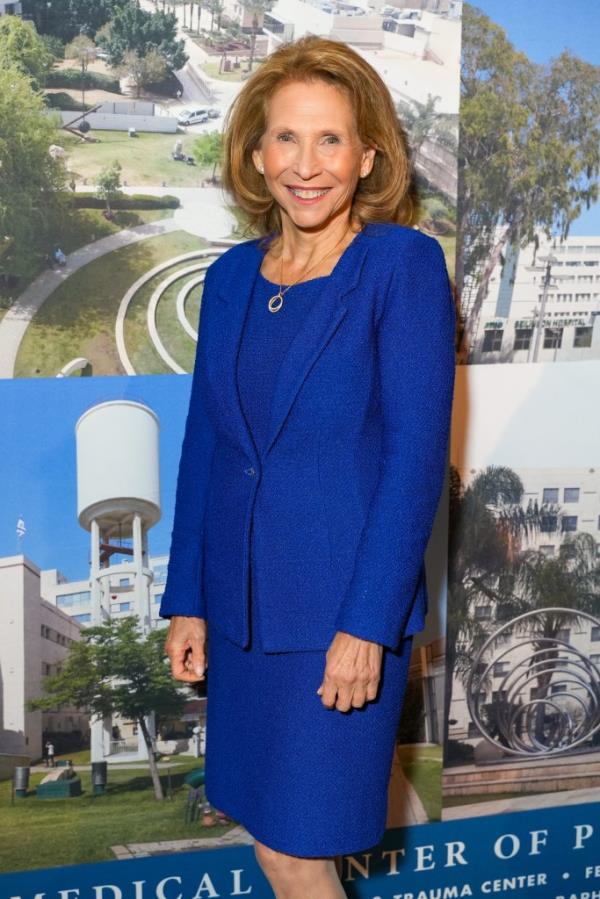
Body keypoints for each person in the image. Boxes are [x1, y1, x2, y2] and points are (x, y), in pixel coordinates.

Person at [160, 34, 456, 898]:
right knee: (272, 843)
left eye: (331, 140)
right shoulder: (228, 278)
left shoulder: (400, 266)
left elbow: (412, 461)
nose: (307, 164)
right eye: (287, 138)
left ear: (369, 156)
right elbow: (206, 447)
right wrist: (188, 599)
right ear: (256, 153)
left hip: (337, 622)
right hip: (245, 619)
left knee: (299, 851)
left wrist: (366, 627)